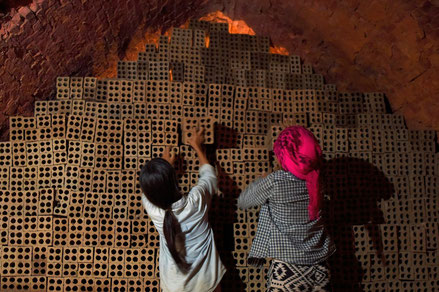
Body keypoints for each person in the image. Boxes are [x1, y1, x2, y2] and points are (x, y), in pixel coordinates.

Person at [237, 125, 335, 292]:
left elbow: (243, 201)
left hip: (288, 271)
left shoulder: (275, 181)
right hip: (321, 268)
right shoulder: (318, 180)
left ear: (285, 155)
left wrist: (263, 180)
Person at [139, 128, 226, 292]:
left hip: (174, 286)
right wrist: (197, 146)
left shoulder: (152, 209)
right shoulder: (196, 202)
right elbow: (209, 176)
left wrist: (165, 169)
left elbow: (149, 192)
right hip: (206, 285)